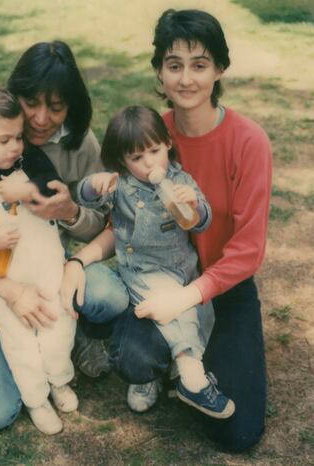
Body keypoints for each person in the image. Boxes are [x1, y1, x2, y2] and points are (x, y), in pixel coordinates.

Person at [0, 41, 129, 432]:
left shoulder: (81, 144)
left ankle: (82, 335)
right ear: (14, 95)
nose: (40, 119)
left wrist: (69, 213)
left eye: (55, 107)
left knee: (110, 296)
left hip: (53, 267)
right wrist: (2, 286)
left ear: (72, 105)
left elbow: (104, 223)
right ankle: (30, 361)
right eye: (31, 103)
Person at [107, 9, 271, 452]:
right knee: (134, 359)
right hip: (158, 274)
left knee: (236, 434)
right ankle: (169, 358)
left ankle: (188, 364)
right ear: (159, 71)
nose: (185, 79)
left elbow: (248, 249)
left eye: (199, 65)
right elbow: (122, 218)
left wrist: (189, 295)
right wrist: (79, 259)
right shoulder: (150, 135)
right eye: (174, 64)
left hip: (221, 284)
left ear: (219, 69)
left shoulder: (248, 141)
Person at [64, 105, 235, 419]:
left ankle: (173, 370)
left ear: (167, 143)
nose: (148, 164)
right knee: (173, 311)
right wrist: (94, 184)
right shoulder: (122, 186)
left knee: (194, 315)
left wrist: (195, 204)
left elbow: (201, 223)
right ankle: (191, 376)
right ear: (124, 161)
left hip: (180, 272)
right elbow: (85, 198)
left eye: (154, 151)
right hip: (141, 274)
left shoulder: (181, 180)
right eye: (136, 158)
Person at [0, 84, 80, 435]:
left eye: (18, 138)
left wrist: (29, 191)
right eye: (5, 140)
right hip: (7, 279)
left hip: (47, 267)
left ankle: (59, 379)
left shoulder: (27, 160)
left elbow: (52, 183)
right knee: (18, 341)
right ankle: (36, 398)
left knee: (58, 327)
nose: (16, 147)